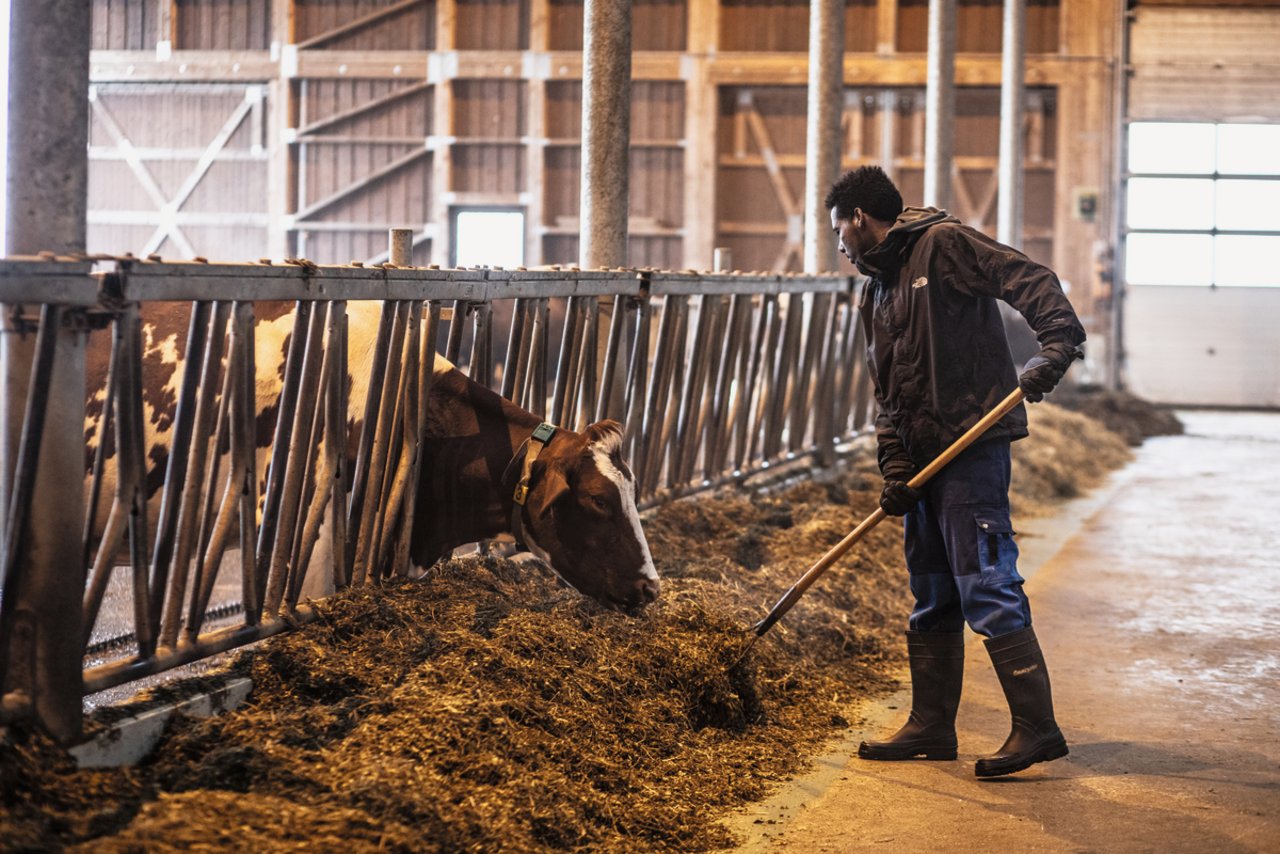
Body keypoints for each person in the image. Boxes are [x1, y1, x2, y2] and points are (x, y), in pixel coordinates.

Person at [825, 165, 1085, 778]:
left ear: (860, 218)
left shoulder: (943, 246)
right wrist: (893, 464)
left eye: (839, 228)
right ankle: (931, 726)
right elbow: (885, 389)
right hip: (922, 465)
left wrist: (1055, 344)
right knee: (932, 593)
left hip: (970, 449)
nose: (839, 242)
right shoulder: (878, 290)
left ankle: (1037, 728)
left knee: (986, 582)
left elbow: (1026, 276)